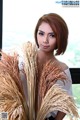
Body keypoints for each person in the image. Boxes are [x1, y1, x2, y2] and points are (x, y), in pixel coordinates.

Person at [33, 13, 72, 120]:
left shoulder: (63, 69)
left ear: (60, 38)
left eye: (52, 35)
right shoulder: (23, 62)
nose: (45, 40)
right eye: (41, 33)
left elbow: (67, 102)